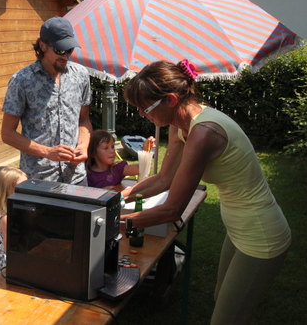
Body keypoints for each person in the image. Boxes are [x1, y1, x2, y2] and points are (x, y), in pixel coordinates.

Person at [120, 59, 291, 325]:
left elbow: (172, 210)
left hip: (261, 235)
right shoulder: (181, 124)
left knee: (226, 319)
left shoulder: (204, 133)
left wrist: (115, 221)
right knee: (220, 299)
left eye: (145, 109)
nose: (142, 115)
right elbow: (164, 179)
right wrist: (121, 198)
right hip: (238, 228)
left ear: (171, 100)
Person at [1, 16, 92, 185]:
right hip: (39, 179)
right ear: (42, 46)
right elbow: (7, 134)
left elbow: (83, 121)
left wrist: (84, 145)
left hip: (76, 177)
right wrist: (47, 152)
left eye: (69, 50)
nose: (65, 56)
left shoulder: (81, 75)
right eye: (59, 50)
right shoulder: (22, 80)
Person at [0, 167, 27, 276]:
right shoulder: (7, 219)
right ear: (7, 192)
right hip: (7, 269)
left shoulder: (20, 212)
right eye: (20, 188)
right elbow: (9, 251)